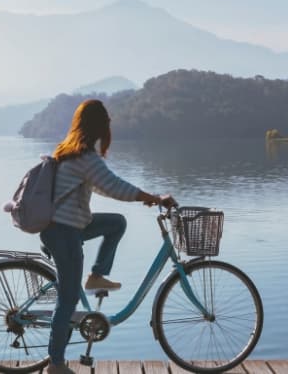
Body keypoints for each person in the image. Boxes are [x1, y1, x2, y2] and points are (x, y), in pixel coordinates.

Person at [40, 99, 173, 374]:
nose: (109, 126)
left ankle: (97, 275)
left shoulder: (69, 152)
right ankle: (55, 364)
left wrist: (143, 199)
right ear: (99, 125)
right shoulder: (85, 157)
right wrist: (152, 197)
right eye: (107, 122)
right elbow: (114, 186)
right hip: (64, 232)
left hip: (68, 226)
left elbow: (100, 186)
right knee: (67, 300)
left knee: (116, 223)